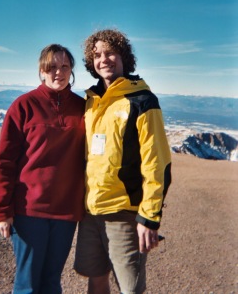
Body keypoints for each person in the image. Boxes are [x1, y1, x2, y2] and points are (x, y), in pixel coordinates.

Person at [74, 29, 172, 294]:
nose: (103, 59)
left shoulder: (142, 100)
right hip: (91, 211)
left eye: (110, 53)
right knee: (96, 278)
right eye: (97, 55)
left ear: (124, 57)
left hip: (125, 214)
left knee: (130, 289)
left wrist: (149, 218)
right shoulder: (91, 101)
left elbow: (157, 163)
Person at [0, 44, 86, 294]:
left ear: (71, 71)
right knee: (28, 284)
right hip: (29, 211)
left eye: (64, 66)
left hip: (66, 212)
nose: (58, 72)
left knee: (52, 282)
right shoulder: (23, 106)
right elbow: (5, 161)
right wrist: (1, 210)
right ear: (41, 71)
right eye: (52, 67)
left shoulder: (83, 109)